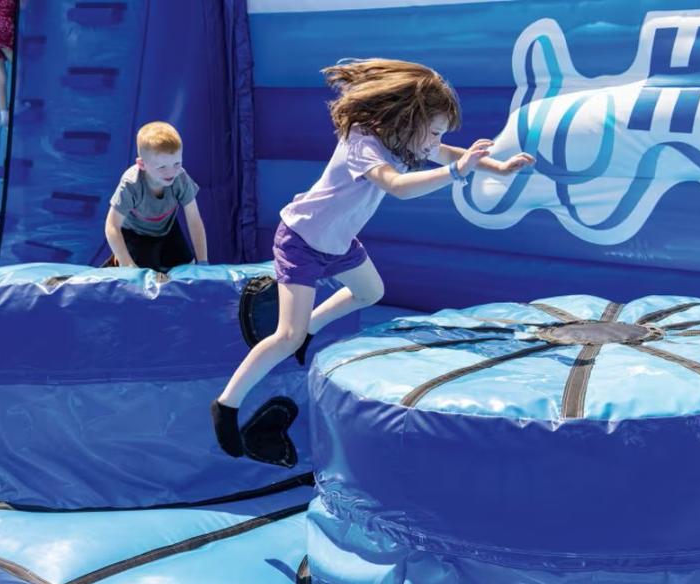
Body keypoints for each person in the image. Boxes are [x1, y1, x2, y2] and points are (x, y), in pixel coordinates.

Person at [211, 58, 534, 458]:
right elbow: (397, 186)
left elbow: (449, 153)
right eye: (432, 132)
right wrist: (458, 174)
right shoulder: (363, 142)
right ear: (408, 118)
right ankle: (226, 404)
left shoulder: (408, 140)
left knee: (369, 291)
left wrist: (497, 168)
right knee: (285, 336)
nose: (435, 142)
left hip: (339, 240)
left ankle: (310, 327)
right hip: (302, 238)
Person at [104, 121, 208, 272]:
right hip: (136, 235)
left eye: (177, 163)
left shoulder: (180, 177)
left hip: (167, 229)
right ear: (142, 164)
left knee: (189, 268)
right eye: (162, 167)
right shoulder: (131, 184)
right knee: (144, 277)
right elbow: (112, 226)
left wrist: (203, 261)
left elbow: (194, 220)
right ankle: (116, 261)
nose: (171, 172)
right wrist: (127, 265)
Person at [0, 0, 16, 127]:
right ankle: (20, 102)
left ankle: (4, 114)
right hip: (3, 26)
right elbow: (25, 6)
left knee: (1, 77)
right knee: (20, 66)